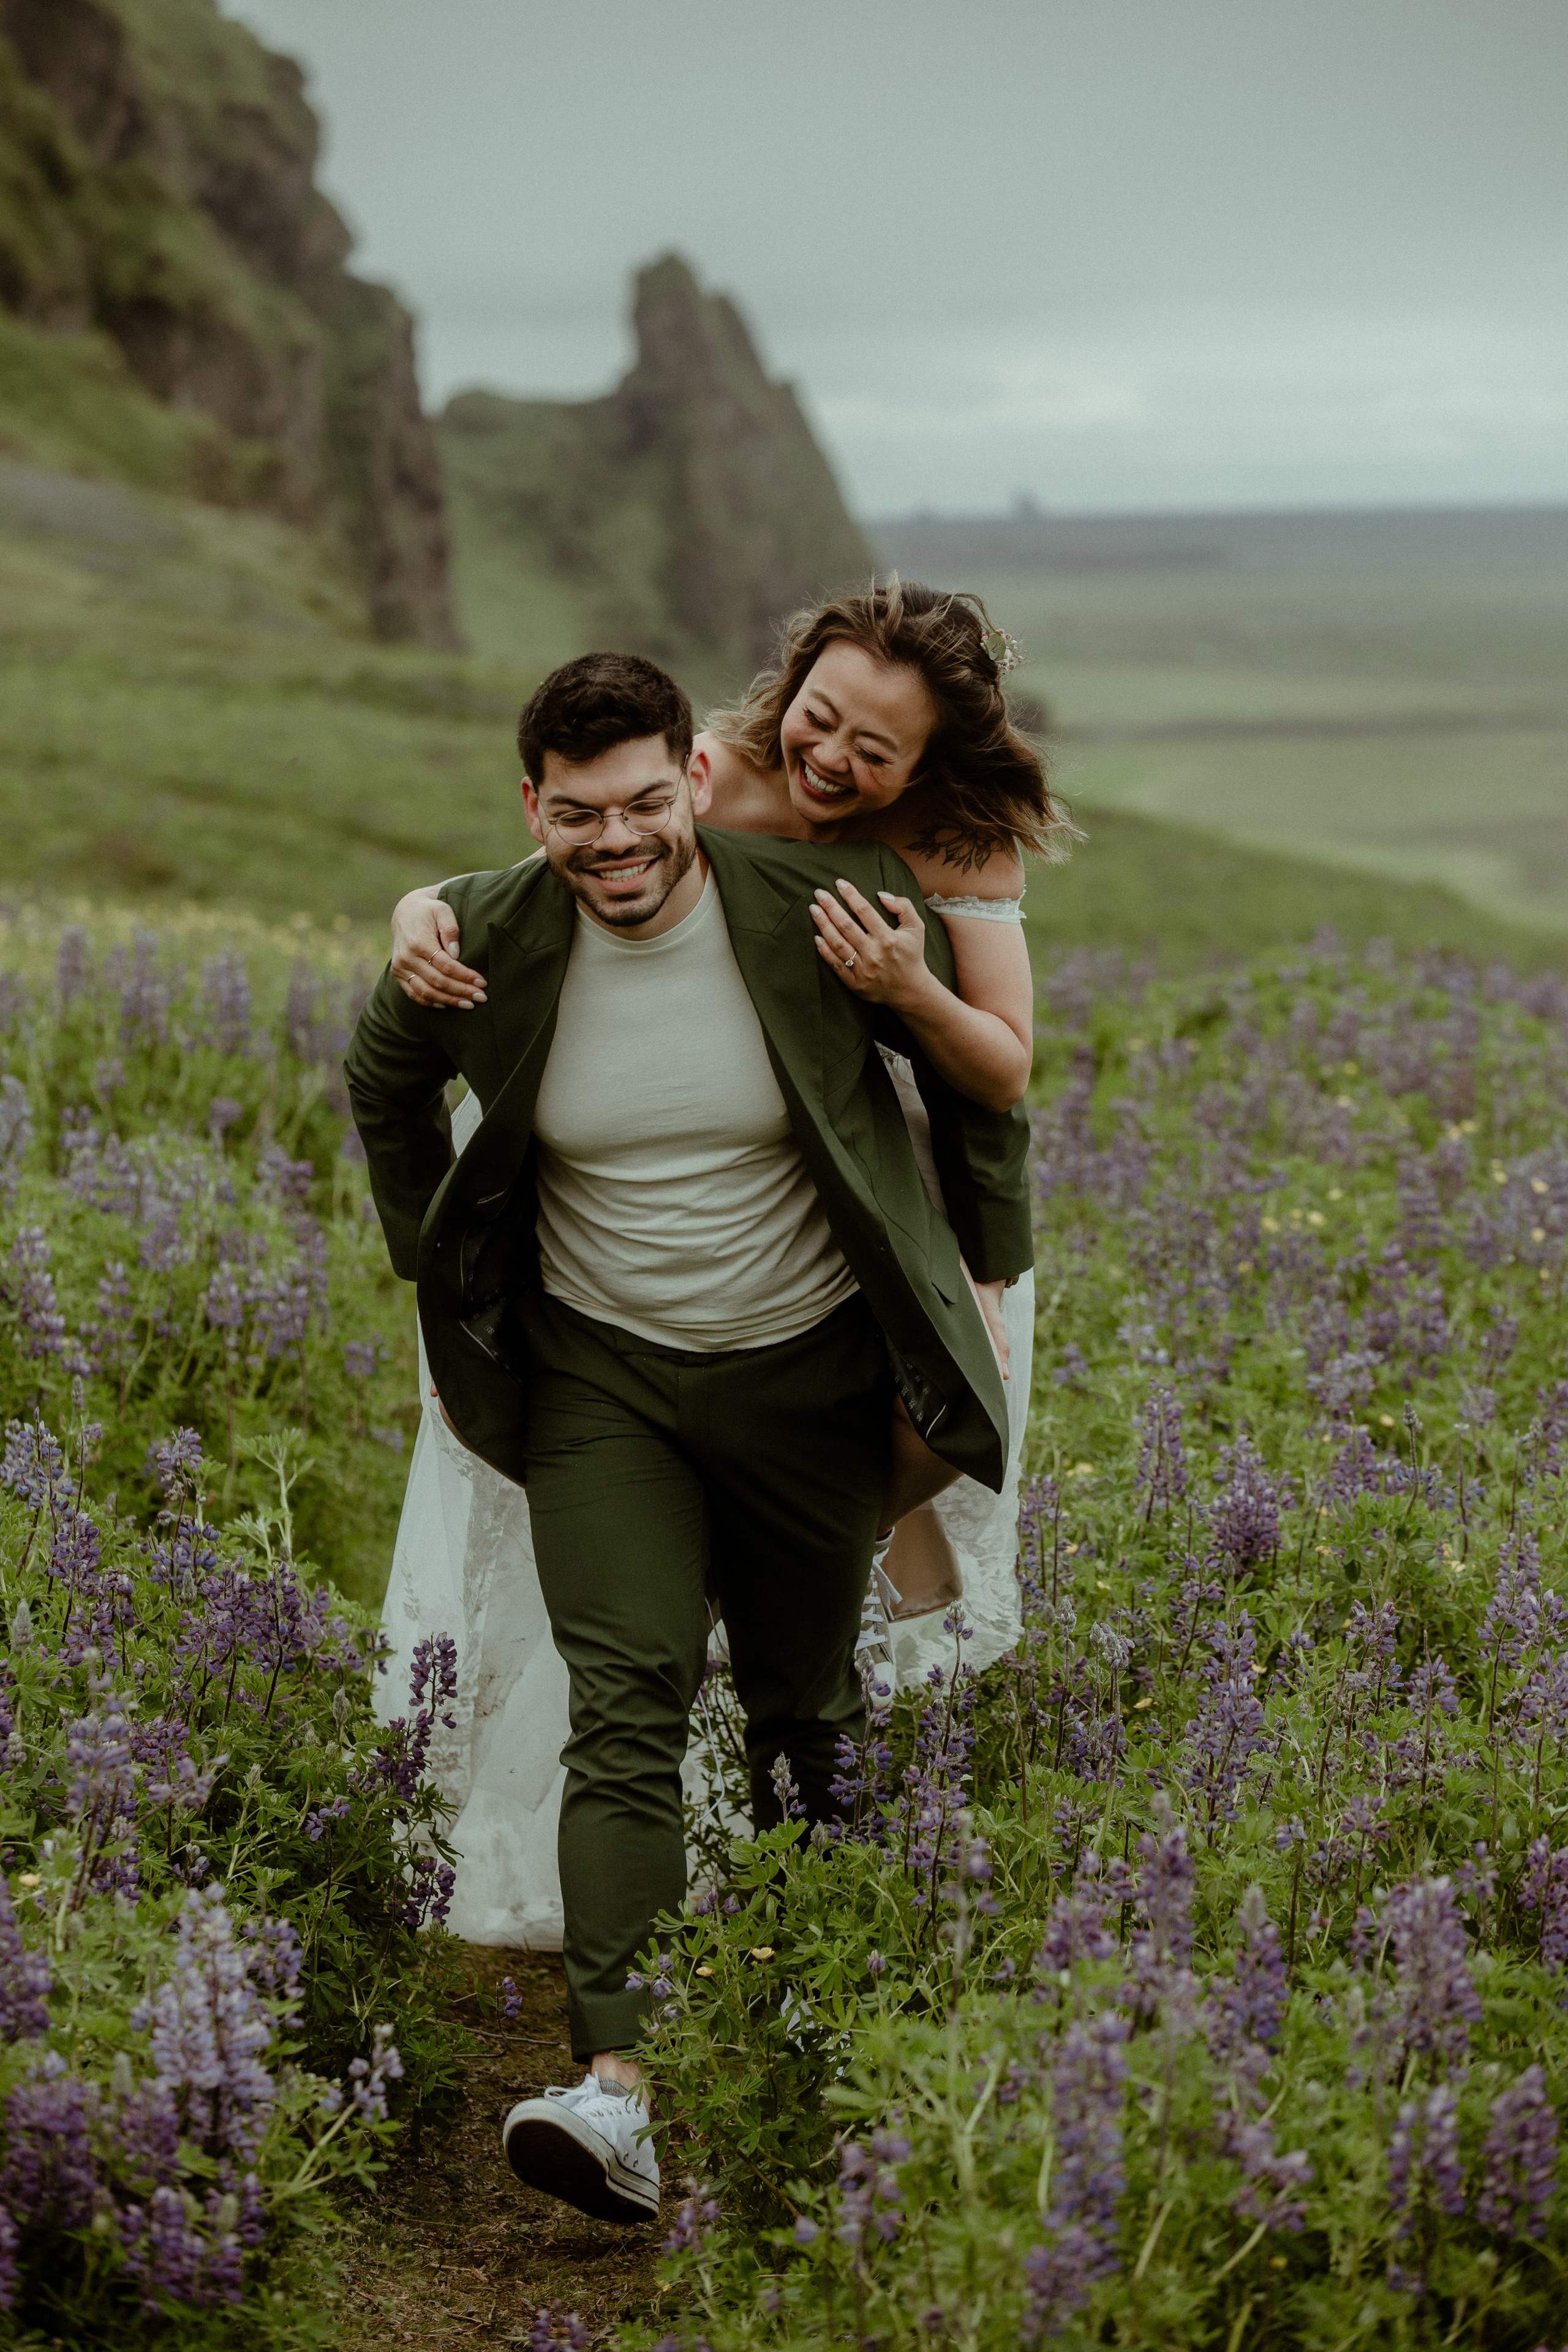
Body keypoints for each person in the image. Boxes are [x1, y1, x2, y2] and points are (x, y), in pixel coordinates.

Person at [344, 649, 1033, 2224]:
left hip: (808, 1378)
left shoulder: (822, 909)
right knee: (627, 1693)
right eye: (577, 814)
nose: (617, 841)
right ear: (534, 809)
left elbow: (979, 1097)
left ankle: (818, 2050)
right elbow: (382, 1086)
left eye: (647, 803)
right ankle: (614, 2095)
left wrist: (984, 1280)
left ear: (695, 787)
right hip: (602, 1392)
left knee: (806, 1713)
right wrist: (438, 1275)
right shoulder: (483, 938)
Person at [385, 582, 1071, 1674]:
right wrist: (422, 904)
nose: (834, 757)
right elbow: (571, 850)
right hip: (662, 1121)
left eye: (877, 747)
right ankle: (690, 1594)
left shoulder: (960, 842)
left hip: (879, 1154)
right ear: (792, 684)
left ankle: (798, 1610)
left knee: (915, 1427)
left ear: (932, 759)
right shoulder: (716, 774)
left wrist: (908, 987)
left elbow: (1002, 1068)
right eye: (821, 713)